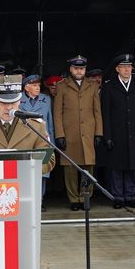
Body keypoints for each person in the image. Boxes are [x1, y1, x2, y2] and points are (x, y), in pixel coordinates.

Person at [52, 55, 103, 211]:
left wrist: (98, 133)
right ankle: (74, 199)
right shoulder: (61, 85)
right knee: (70, 168)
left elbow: (97, 111)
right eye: (76, 68)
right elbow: (57, 113)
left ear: (85, 70)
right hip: (70, 133)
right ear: (71, 69)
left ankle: (85, 197)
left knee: (88, 166)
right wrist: (59, 134)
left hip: (88, 132)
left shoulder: (92, 85)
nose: (79, 71)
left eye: (81, 68)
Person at [100, 53, 135, 209]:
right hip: (116, 132)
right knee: (117, 166)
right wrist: (107, 136)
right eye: (123, 67)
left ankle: (130, 196)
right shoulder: (109, 86)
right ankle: (118, 196)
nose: (127, 70)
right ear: (117, 69)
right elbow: (105, 113)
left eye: (129, 67)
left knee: (133, 165)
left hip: (134, 132)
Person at [19, 74, 54, 209]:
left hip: (41, 140)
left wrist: (52, 143)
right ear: (26, 87)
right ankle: (26, 201)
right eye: (34, 85)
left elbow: (49, 122)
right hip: (24, 141)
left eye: (38, 85)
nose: (38, 88)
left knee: (41, 171)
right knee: (25, 172)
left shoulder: (46, 99)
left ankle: (39, 201)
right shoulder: (18, 100)